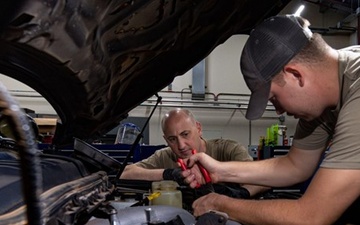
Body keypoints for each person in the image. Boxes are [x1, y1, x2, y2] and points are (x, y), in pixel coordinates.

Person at [181, 14, 360, 225]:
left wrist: (220, 204)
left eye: (274, 98)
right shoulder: (327, 93)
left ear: (295, 75)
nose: (278, 111)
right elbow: (295, 166)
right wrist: (219, 170)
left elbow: (311, 216)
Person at [120, 108, 267, 198]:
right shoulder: (164, 156)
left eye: (185, 134)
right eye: (172, 139)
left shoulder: (228, 150)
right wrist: (168, 174)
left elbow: (263, 181)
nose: (181, 146)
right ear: (166, 139)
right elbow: (125, 173)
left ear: (198, 128)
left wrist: (239, 193)